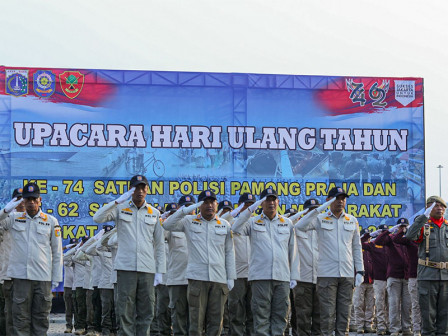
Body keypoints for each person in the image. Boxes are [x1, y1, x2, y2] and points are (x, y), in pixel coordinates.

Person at [93, 175, 166, 336]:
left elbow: (160, 244)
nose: (140, 191)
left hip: (147, 269)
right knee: (124, 310)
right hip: (125, 268)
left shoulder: (154, 213)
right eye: (136, 188)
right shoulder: (120, 209)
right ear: (130, 190)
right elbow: (97, 217)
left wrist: (160, 271)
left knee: (147, 310)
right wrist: (117, 201)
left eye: (143, 187)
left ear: (147, 189)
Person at [163, 190, 236, 336]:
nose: (209, 205)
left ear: (216, 204)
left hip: (219, 279)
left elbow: (229, 252)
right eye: (205, 202)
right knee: (195, 323)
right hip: (197, 279)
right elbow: (167, 225)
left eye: (212, 202)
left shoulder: (225, 225)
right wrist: (185, 210)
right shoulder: (189, 222)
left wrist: (231, 277)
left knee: (215, 323)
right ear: (199, 205)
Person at [295, 187, 364, 336]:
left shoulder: (352, 220)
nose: (340, 201)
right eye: (337, 198)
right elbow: (300, 226)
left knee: (344, 315)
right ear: (329, 200)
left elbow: (357, 247)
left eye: (343, 198)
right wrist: (319, 209)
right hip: (326, 275)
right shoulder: (320, 219)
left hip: (347, 274)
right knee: (326, 316)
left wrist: (360, 270)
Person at [232, 188, 298, 336]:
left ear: (278, 202)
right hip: (260, 278)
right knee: (261, 319)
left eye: (273, 199)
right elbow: (235, 228)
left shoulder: (286, 223)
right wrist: (250, 209)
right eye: (267, 200)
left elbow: (293, 251)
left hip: (282, 278)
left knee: (280, 318)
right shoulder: (253, 222)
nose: (271, 203)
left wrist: (293, 276)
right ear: (261, 203)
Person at [0, 182, 63, 336]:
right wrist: (7, 209)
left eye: (34, 199)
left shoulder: (50, 221)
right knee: (20, 320)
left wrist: (56, 278)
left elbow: (57, 252)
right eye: (28, 199)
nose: (31, 202)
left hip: (42, 278)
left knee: (40, 320)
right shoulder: (14, 218)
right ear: (23, 201)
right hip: (20, 278)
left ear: (40, 200)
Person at [406, 196, 448, 336]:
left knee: (445, 318)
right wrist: (423, 217)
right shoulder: (424, 225)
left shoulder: (447, 227)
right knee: (428, 318)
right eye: (436, 206)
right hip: (428, 276)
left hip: (446, 277)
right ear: (429, 208)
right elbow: (410, 236)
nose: (440, 208)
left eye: (442, 206)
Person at [221, 193, 256, 336]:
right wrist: (235, 212)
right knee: (236, 312)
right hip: (237, 275)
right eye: (245, 205)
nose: (249, 208)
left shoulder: (257, 222)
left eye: (251, 205)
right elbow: (220, 220)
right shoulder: (231, 222)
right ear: (240, 205)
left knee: (254, 313)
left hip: (255, 275)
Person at [375, 219, 412, 336]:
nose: (402, 228)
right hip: (394, 276)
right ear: (397, 227)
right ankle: (394, 329)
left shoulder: (409, 238)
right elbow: (378, 241)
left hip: (407, 276)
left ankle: (406, 328)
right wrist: (389, 231)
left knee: (407, 305)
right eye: (401, 226)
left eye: (404, 226)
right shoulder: (391, 238)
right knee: (394, 304)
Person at [289, 199, 321, 336]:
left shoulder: (324, 228)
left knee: (320, 319)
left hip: (321, 278)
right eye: (310, 210)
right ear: (304, 212)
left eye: (316, 210)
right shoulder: (296, 228)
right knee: (302, 318)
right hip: (302, 279)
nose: (313, 213)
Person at [165, 194, 195, 336]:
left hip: (196, 278)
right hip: (177, 279)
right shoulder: (171, 227)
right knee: (178, 316)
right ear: (179, 208)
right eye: (185, 207)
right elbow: (159, 232)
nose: (189, 210)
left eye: (191, 207)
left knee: (195, 317)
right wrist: (176, 214)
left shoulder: (199, 225)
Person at [0, 187, 25, 336]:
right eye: (18, 199)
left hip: (27, 274)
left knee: (24, 313)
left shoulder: (39, 220)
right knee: (5, 313)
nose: (21, 202)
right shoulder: (6, 220)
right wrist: (6, 210)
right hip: (6, 274)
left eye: (24, 199)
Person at [392, 220, 421, 336]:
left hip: (428, 275)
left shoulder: (428, 238)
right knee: (415, 304)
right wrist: (402, 230)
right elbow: (396, 239)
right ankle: (417, 330)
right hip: (414, 275)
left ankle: (427, 328)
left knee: (427, 304)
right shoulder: (410, 240)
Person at [362, 224, 390, 335]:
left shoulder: (392, 244)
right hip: (379, 280)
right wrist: (369, 235)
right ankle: (381, 327)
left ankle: (389, 326)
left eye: (386, 232)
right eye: (382, 232)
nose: (384, 234)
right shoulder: (373, 245)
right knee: (379, 304)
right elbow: (360, 243)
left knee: (391, 304)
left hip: (392, 278)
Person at [354, 229, 375, 334]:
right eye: (367, 237)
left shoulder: (372, 248)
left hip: (371, 280)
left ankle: (368, 325)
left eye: (369, 237)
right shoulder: (357, 247)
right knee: (358, 304)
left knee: (370, 304)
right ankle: (359, 326)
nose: (368, 239)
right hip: (360, 281)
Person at [63, 237, 78, 334]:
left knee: (77, 308)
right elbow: (59, 251)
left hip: (77, 285)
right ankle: (68, 326)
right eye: (73, 245)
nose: (75, 247)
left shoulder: (81, 256)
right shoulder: (66, 256)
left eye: (76, 245)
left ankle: (78, 326)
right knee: (68, 308)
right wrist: (69, 247)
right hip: (68, 285)